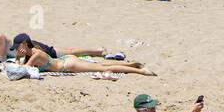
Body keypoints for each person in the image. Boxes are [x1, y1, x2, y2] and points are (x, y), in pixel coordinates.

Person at [14, 39, 155, 76]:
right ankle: (130, 64)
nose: (18, 49)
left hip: (68, 65)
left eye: (19, 47)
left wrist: (18, 58)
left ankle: (140, 71)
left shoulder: (35, 54)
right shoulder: (34, 51)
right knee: (103, 66)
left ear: (25, 44)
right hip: (66, 61)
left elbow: (25, 69)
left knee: (104, 68)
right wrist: (20, 56)